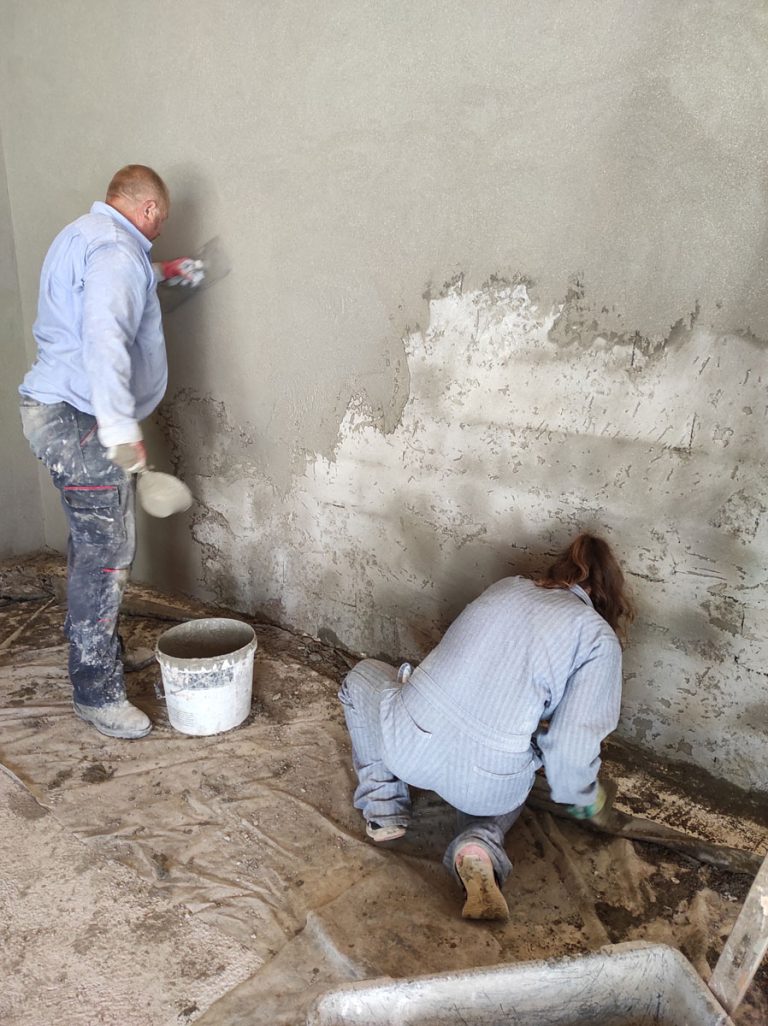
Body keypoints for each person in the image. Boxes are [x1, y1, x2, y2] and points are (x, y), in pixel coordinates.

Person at [339, 533, 634, 920]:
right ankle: (477, 846)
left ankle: (384, 810)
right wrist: (584, 800)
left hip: (407, 746)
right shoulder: (598, 638)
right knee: (520, 766)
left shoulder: (507, 587)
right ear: (606, 596)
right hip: (486, 786)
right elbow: (568, 745)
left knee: (363, 676)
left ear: (560, 569)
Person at [18, 165, 201, 740]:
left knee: (90, 544)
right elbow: (104, 338)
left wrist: (162, 274)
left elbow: (105, 290)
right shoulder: (118, 252)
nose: (157, 232)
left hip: (53, 410)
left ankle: (97, 658)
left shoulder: (85, 235)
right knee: (107, 552)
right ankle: (96, 693)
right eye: (160, 224)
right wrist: (122, 431)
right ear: (148, 211)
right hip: (81, 419)